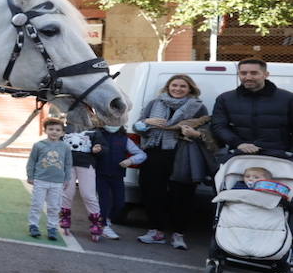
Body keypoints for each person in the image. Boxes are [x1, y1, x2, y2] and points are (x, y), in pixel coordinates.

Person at [133, 73, 209, 250]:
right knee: (152, 192)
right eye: (174, 85)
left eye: (183, 86)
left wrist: (193, 133)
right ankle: (156, 231)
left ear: (190, 89)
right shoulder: (155, 103)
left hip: (183, 153)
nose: (178, 89)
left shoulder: (198, 107)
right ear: (168, 87)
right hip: (155, 152)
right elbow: (136, 127)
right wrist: (147, 122)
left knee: (182, 195)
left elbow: (207, 132)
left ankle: (178, 234)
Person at [212, 58, 293, 157]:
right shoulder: (225, 99)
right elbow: (219, 126)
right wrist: (238, 144)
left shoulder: (288, 98)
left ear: (266, 74)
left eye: (254, 73)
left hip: (280, 155)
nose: (248, 77)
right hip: (239, 154)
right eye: (243, 73)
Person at [91, 122, 146, 240]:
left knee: (119, 203)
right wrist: (93, 150)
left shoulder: (124, 139)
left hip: (117, 175)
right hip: (100, 174)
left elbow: (141, 154)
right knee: (103, 201)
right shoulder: (97, 135)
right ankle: (103, 225)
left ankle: (106, 220)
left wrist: (131, 161)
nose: (112, 123)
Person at [25, 118, 72, 240]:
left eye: (58, 130)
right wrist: (30, 176)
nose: (54, 132)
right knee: (37, 204)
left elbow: (68, 164)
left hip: (57, 182)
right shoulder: (39, 145)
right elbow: (32, 161)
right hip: (40, 180)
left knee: (54, 206)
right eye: (51, 129)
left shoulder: (65, 147)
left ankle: (52, 227)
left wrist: (67, 179)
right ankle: (33, 225)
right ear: (45, 130)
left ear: (62, 133)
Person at [60, 113, 102, 237]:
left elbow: (103, 147)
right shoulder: (65, 130)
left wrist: (98, 148)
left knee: (88, 194)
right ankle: (65, 217)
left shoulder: (95, 132)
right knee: (67, 192)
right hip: (67, 165)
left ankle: (96, 222)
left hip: (86, 165)